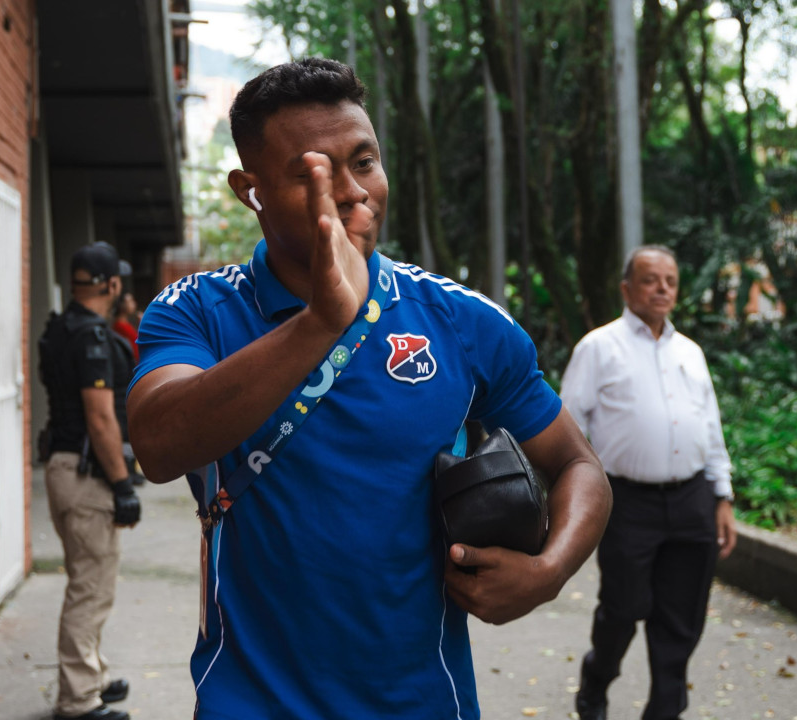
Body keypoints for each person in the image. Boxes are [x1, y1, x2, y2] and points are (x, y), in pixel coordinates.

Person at [125, 58, 612, 720]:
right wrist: (323, 322)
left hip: (423, 703)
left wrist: (550, 571)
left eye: (363, 162)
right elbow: (157, 442)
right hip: (249, 702)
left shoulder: (460, 320)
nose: (351, 191)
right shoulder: (197, 311)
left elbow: (579, 464)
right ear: (252, 189)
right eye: (311, 174)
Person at [558, 245, 737, 720]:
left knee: (681, 619)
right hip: (627, 501)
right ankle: (596, 684)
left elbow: (710, 428)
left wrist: (722, 496)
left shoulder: (690, 353)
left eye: (670, 281)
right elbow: (568, 427)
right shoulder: (599, 347)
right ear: (627, 288)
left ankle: (665, 708)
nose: (662, 289)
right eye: (650, 279)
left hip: (693, 499)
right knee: (622, 608)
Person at [38, 241, 143, 720]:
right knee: (91, 587)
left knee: (90, 579)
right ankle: (79, 700)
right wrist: (122, 485)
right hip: (87, 477)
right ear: (112, 285)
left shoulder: (61, 328)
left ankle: (93, 676)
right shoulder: (93, 338)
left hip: (62, 470)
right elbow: (101, 419)